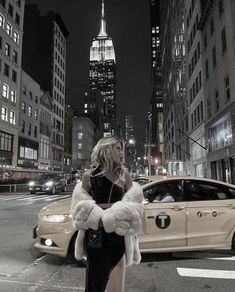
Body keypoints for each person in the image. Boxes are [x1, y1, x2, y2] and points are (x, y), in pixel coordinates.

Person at [71, 135, 144, 292]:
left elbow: (135, 203)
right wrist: (94, 215)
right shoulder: (89, 176)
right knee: (94, 285)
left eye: (122, 149)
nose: (121, 152)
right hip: (96, 235)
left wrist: (121, 213)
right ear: (107, 149)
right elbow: (79, 206)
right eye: (118, 148)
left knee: (117, 288)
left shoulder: (124, 174)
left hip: (118, 235)